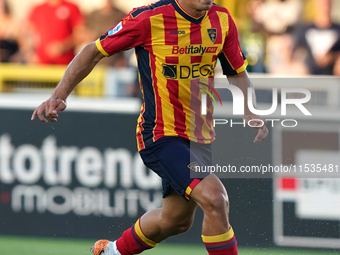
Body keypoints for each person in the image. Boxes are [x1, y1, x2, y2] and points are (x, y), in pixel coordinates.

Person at [31, 0, 269, 254]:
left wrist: (250, 109)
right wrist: (59, 95)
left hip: (200, 136)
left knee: (175, 221)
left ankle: (111, 251)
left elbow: (236, 71)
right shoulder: (148, 18)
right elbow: (94, 50)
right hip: (161, 135)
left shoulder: (222, 20)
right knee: (214, 198)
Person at [26, 0, 84, 65]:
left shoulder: (72, 7)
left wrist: (62, 46)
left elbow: (81, 35)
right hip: (41, 64)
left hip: (65, 64)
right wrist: (31, 52)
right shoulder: (38, 9)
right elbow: (29, 33)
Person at [293, 0, 340, 75]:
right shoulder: (304, 29)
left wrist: (333, 57)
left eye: (327, 3)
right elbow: (294, 51)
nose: (325, 6)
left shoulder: (338, 29)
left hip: (332, 79)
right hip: (310, 78)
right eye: (322, 3)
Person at [84, 0, 126, 67]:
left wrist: (122, 59)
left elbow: (125, 38)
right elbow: (83, 34)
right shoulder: (93, 15)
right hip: (95, 60)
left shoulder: (120, 14)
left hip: (114, 61)